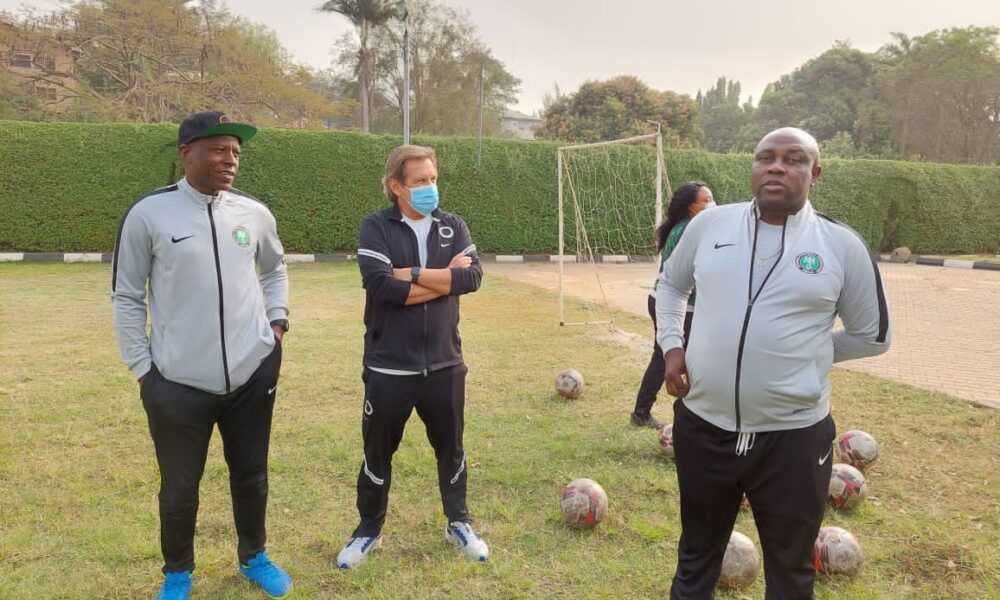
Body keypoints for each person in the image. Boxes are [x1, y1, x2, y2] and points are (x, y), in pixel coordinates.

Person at [656, 127, 891, 599]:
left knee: (790, 572)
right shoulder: (709, 226)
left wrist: (808, 356)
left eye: (794, 159)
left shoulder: (841, 246)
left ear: (815, 173)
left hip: (794, 440)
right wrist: (672, 346)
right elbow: (669, 286)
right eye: (766, 157)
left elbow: (873, 336)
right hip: (703, 427)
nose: (777, 166)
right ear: (754, 168)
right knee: (696, 559)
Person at [112, 111, 292, 600]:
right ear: (186, 152)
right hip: (175, 382)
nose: (229, 159)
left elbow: (274, 270)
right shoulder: (149, 214)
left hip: (252, 373)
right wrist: (143, 369)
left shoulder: (253, 213)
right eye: (217, 149)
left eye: (235, 151)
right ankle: (177, 573)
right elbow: (127, 295)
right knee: (179, 487)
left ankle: (254, 557)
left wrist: (276, 325)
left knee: (251, 473)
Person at [338, 144, 487, 569]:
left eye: (433, 179)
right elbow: (381, 287)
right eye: (420, 181)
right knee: (377, 451)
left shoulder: (452, 225)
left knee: (451, 448)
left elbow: (472, 277)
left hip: (445, 363)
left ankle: (458, 521)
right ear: (397, 187)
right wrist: (446, 279)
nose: (430, 188)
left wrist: (414, 274)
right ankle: (368, 529)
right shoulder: (376, 227)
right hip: (388, 365)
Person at [630, 182, 714, 428]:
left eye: (711, 199)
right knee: (675, 359)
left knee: (664, 357)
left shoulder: (682, 226)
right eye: (705, 201)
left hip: (663, 299)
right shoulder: (691, 230)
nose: (711, 204)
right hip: (678, 305)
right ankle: (665, 416)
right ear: (691, 207)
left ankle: (641, 413)